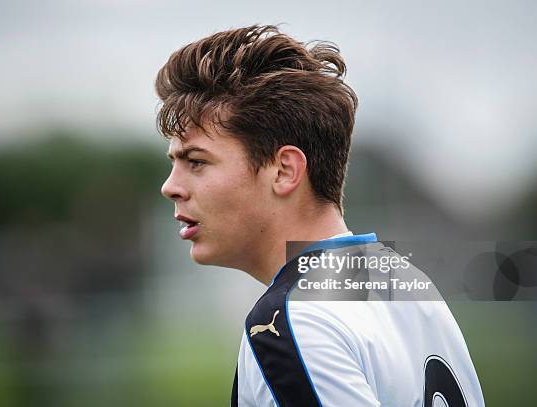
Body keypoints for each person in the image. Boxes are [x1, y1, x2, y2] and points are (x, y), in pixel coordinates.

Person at [156, 25, 485, 406]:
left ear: (284, 171)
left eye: (196, 162)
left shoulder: (291, 324)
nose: (170, 186)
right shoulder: (403, 279)